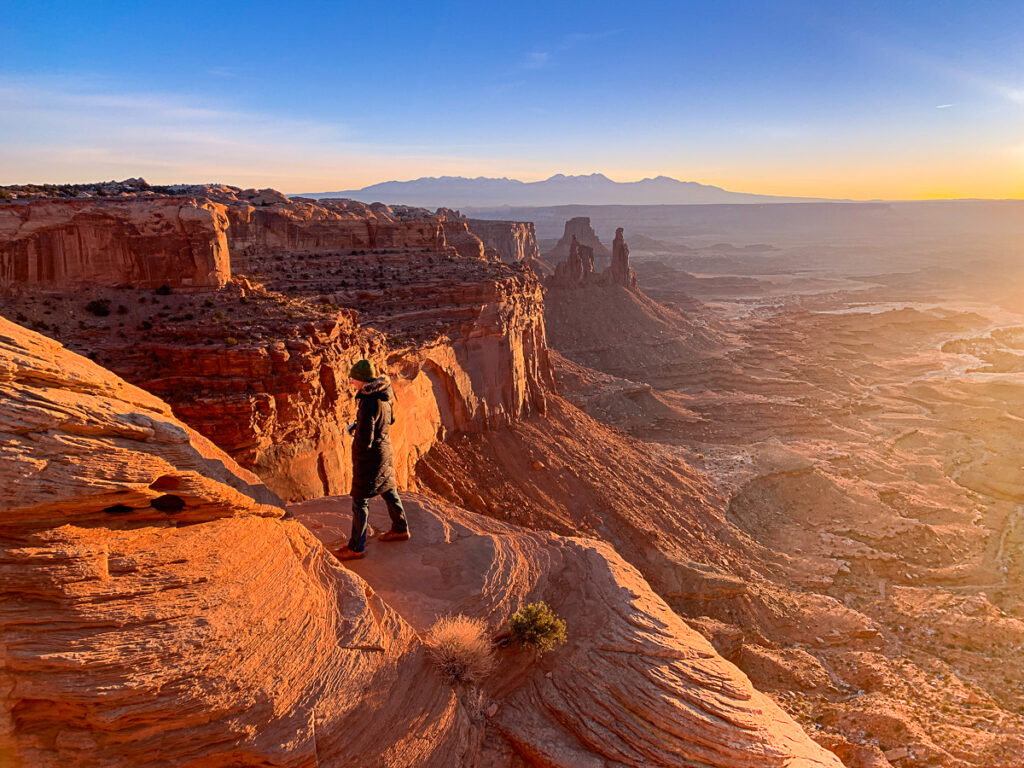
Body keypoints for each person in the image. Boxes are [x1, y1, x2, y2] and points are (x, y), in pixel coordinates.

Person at [335, 359, 411, 560]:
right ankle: (400, 528)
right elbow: (390, 420)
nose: (351, 382)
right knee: (388, 489)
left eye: (353, 378)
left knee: (360, 500)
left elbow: (366, 437)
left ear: (361, 380)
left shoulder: (368, 401)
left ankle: (356, 547)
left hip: (370, 457)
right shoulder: (384, 395)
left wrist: (357, 441)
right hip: (385, 450)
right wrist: (359, 424)